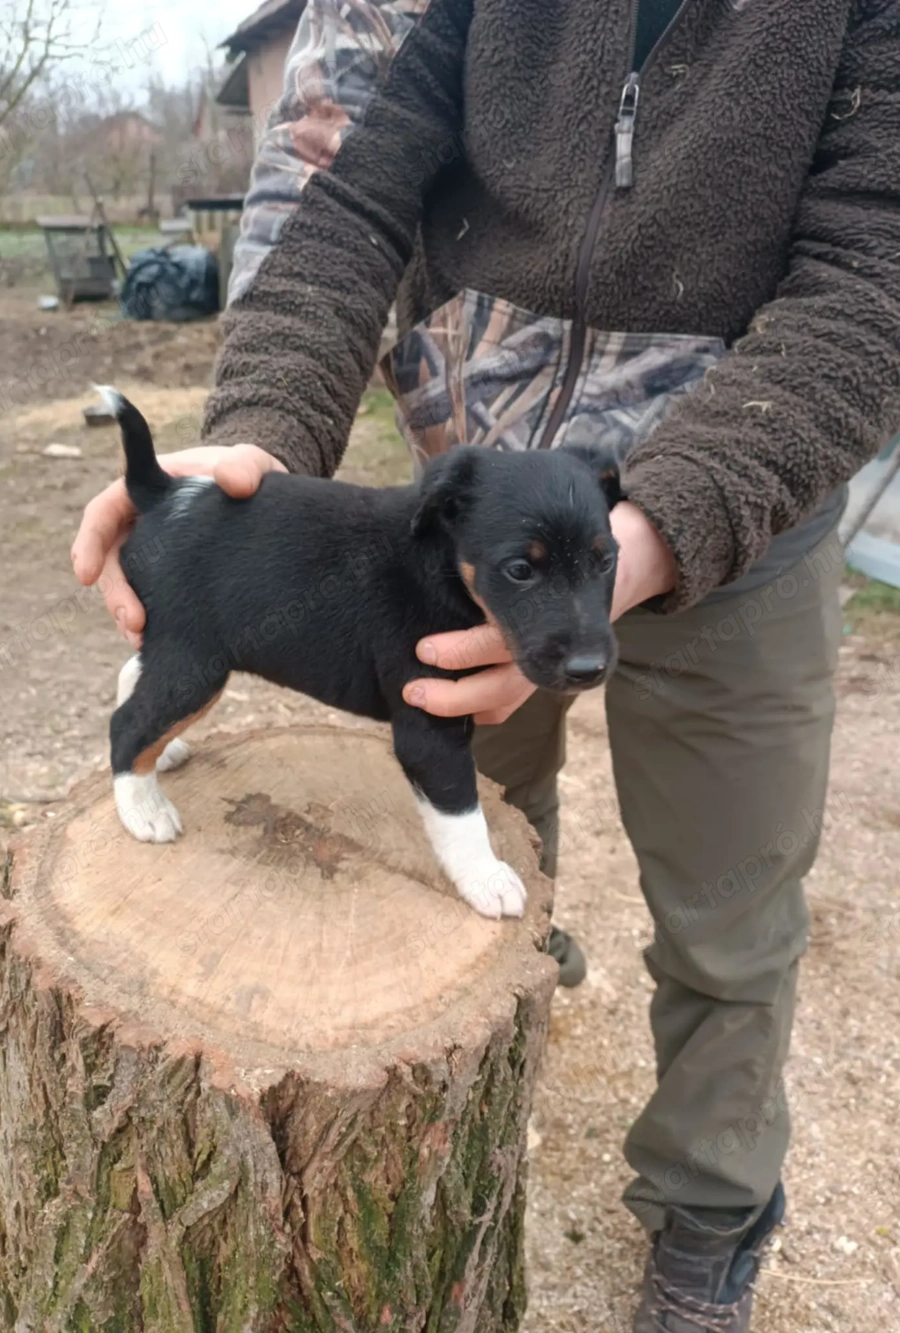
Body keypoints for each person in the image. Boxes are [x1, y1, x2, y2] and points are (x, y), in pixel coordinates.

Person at [72, 2, 900, 1327]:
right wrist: (254, 444)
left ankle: (706, 1214)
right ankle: (506, 1038)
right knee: (498, 817)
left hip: (750, 489)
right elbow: (340, 185)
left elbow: (873, 274)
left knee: (732, 919)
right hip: (471, 517)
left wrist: (640, 549)